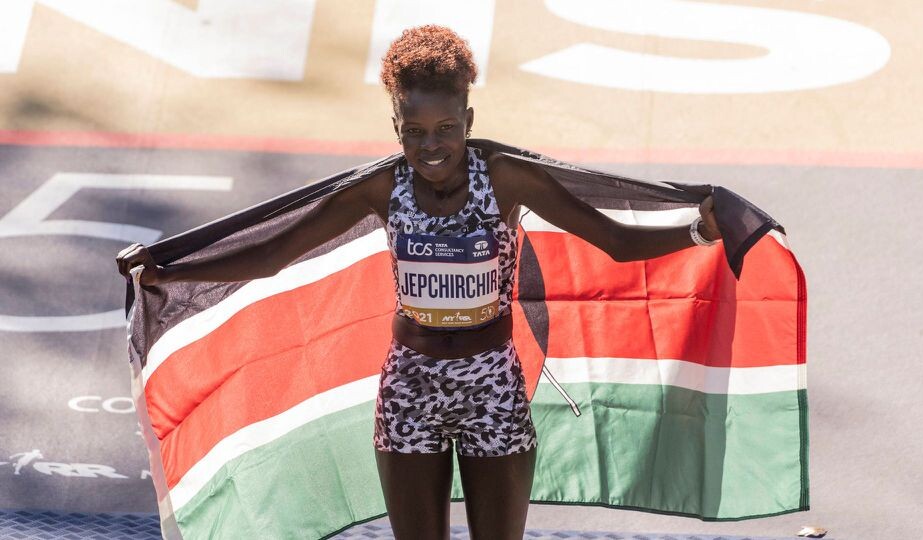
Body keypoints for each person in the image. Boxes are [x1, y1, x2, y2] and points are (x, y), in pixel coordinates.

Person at [116, 25, 721, 540]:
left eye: (446, 128)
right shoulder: (382, 188)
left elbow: (615, 240)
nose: (431, 146)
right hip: (410, 390)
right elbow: (274, 252)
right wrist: (170, 267)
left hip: (493, 389)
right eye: (415, 131)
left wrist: (701, 230)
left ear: (469, 120)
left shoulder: (506, 179)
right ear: (396, 125)